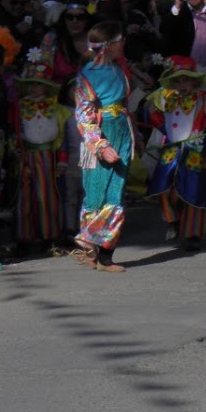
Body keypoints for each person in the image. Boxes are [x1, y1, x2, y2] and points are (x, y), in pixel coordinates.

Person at [72, 22, 133, 273]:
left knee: (115, 193)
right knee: (95, 192)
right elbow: (83, 116)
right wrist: (101, 145)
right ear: (108, 45)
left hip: (121, 130)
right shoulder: (87, 75)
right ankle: (90, 242)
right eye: (120, 40)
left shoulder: (118, 68)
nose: (124, 44)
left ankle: (104, 254)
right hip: (101, 134)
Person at [142, 56, 206, 252]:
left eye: (185, 80)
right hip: (171, 151)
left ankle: (193, 235)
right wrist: (151, 112)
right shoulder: (168, 101)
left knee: (194, 193)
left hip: (195, 152)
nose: (181, 84)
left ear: (195, 81)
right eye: (177, 81)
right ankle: (172, 220)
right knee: (163, 188)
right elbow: (161, 124)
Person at [13, 49, 68, 254]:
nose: (34, 88)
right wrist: (17, 153)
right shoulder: (19, 106)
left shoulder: (55, 108)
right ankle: (25, 238)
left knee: (47, 196)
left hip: (47, 156)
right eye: (31, 84)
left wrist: (62, 160)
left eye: (39, 85)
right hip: (26, 156)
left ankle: (50, 237)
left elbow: (61, 135)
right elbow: (16, 130)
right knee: (25, 197)